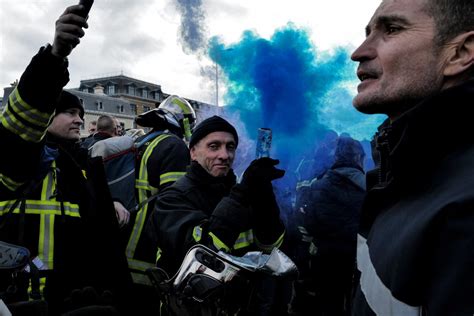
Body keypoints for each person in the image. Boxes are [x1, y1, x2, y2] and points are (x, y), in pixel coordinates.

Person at [0, 4, 131, 315]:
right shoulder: (29, 155)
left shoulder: (87, 164)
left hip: (78, 300)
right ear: (48, 115)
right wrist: (55, 55)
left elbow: (103, 244)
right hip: (21, 299)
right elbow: (20, 126)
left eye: (81, 115)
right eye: (70, 112)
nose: (78, 120)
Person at [350, 0, 474, 315]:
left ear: (459, 54)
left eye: (391, 29)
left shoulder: (465, 203)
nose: (359, 52)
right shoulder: (406, 171)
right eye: (367, 33)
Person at [147, 115, 287, 315]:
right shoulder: (173, 199)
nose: (224, 154)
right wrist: (241, 195)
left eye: (230, 147)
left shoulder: (240, 193)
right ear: (193, 152)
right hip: (190, 309)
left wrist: (264, 198)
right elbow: (204, 253)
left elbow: (271, 247)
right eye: (214, 146)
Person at [122, 95, 196, 315]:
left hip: (124, 241)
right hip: (147, 249)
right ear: (181, 121)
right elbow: (175, 203)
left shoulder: (143, 142)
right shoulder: (173, 146)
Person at [291, 136, 366, 316]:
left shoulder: (318, 185)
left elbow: (309, 223)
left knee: (327, 302)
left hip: (324, 259)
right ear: (358, 157)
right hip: (357, 260)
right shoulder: (370, 186)